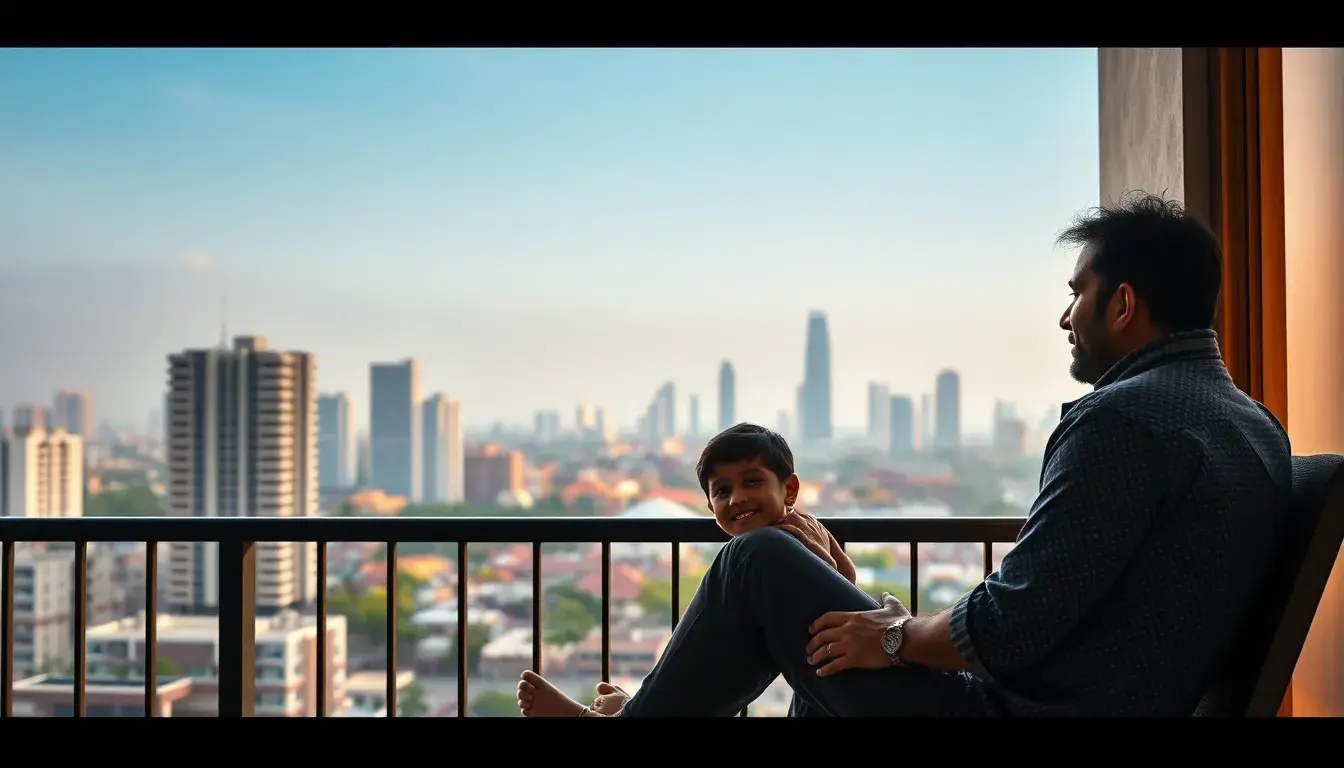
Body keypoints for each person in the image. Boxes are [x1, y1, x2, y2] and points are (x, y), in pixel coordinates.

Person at [517, 191, 1293, 718]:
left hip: (1020, 710)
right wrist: (893, 626)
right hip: (1102, 696)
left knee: (758, 563)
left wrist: (892, 634)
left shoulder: (1125, 423)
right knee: (821, 630)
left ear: (1122, 304)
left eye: (1078, 293)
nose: (1065, 316)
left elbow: (1008, 629)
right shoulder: (1255, 427)